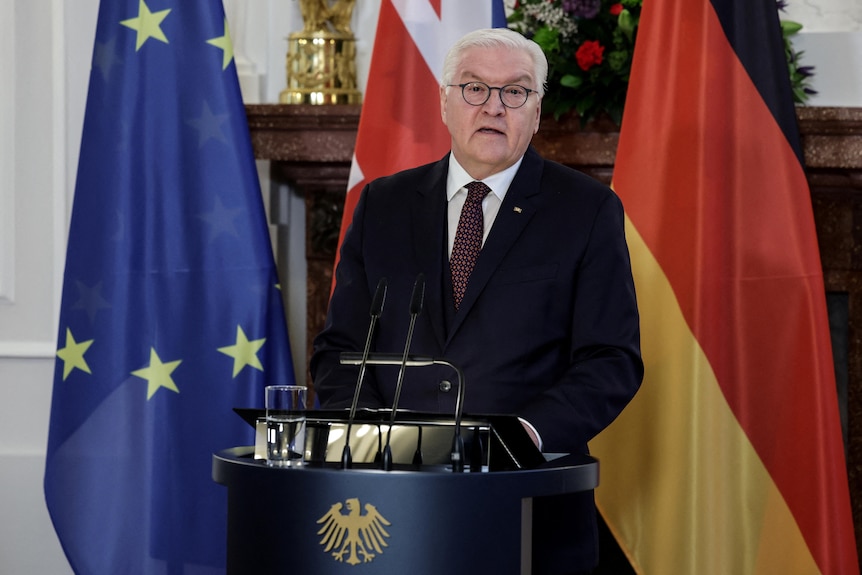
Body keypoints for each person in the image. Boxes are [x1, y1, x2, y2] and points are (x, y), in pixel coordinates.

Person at [310, 27, 643, 574]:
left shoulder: (586, 210)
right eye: (474, 89)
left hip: (532, 509)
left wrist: (524, 436)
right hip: (393, 509)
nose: (493, 106)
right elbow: (340, 351)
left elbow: (612, 360)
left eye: (515, 92)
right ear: (444, 102)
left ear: (537, 111)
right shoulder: (383, 205)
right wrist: (370, 440)